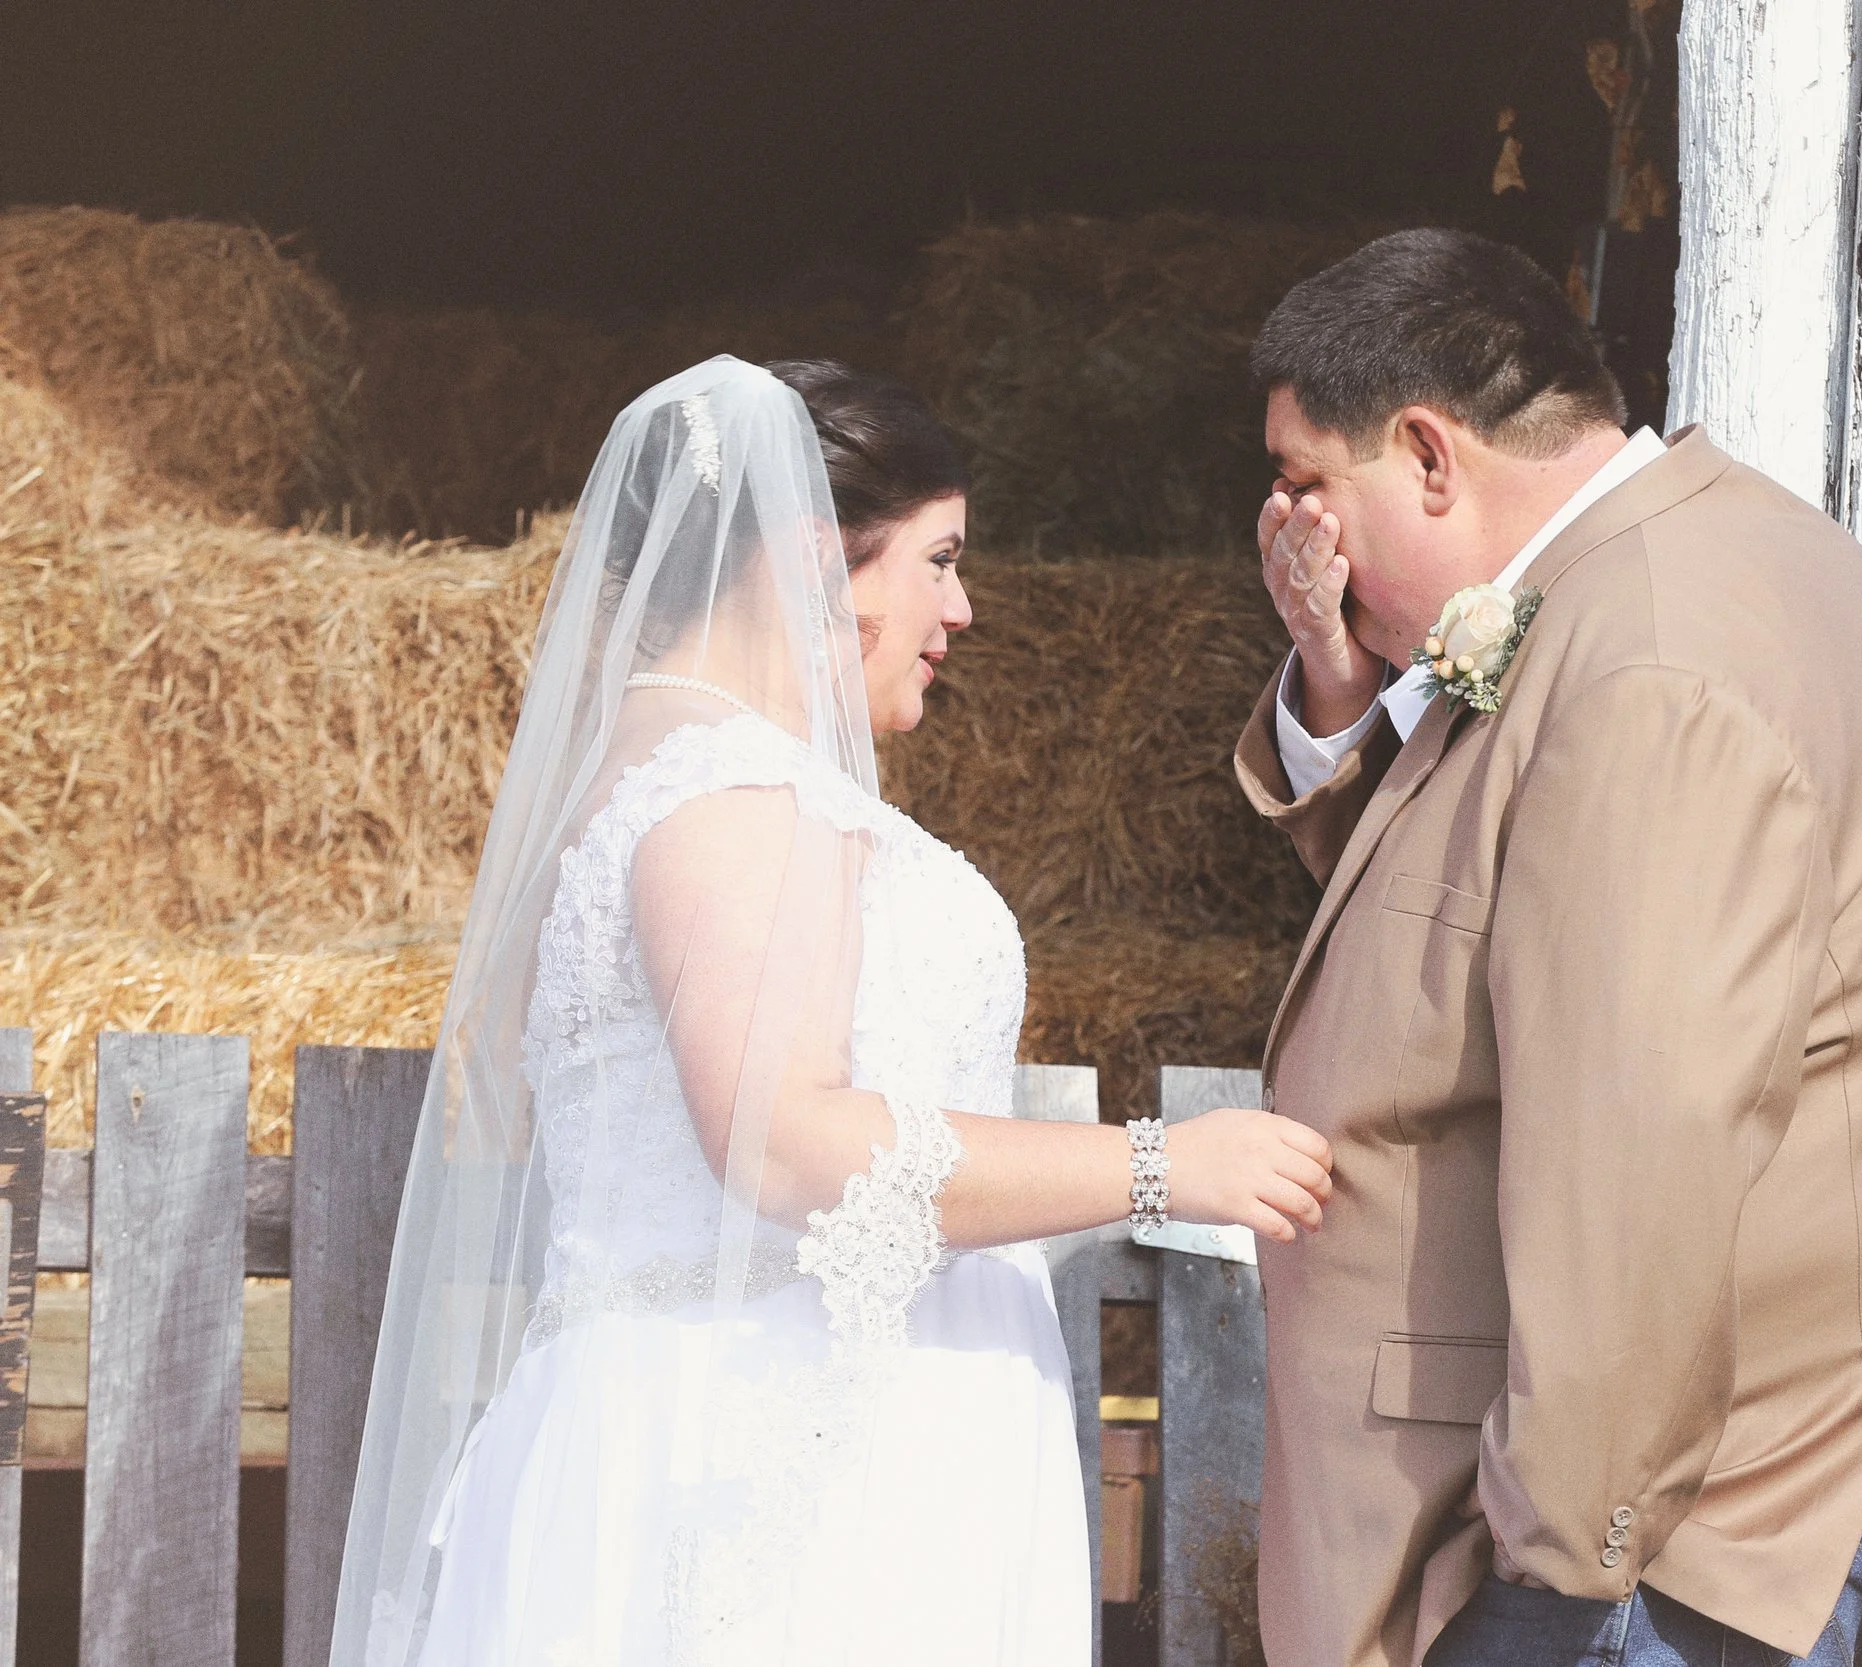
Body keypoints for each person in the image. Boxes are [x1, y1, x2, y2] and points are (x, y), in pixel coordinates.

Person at [330, 355, 1333, 1667]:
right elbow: (779, 1137)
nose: (963, 608)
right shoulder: (741, 800)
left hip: (725, 1434)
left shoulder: (636, 788)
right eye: (940, 559)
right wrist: (1160, 1164)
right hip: (786, 1474)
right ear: (817, 557)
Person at [1228, 229, 1862, 1667]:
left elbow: (1640, 1150)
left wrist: (1557, 1564)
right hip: (1689, 1529)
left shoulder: (1650, 669)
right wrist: (1339, 672)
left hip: (1681, 1555)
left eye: (1308, 482)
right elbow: (1465, 915)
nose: (1290, 532)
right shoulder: (1672, 571)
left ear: (1432, 457)